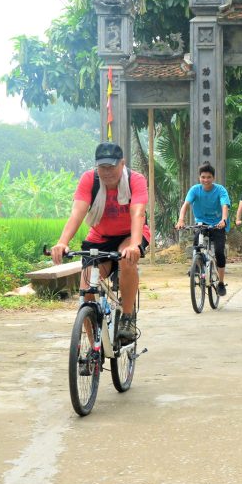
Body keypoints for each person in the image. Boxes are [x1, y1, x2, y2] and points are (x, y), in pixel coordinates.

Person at [51, 142, 149, 345]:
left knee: (126, 259)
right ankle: (92, 349)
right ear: (96, 167)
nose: (107, 172)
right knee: (87, 293)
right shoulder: (89, 179)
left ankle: (127, 317)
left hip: (129, 235)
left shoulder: (135, 180)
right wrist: (62, 242)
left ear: (122, 163)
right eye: (102, 167)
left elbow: (138, 213)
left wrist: (135, 245)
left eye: (111, 166)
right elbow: (77, 212)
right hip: (100, 237)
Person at [176, 162, 230, 296]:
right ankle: (196, 265)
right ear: (199, 178)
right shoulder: (195, 190)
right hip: (202, 222)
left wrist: (223, 220)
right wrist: (181, 219)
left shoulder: (220, 190)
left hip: (218, 224)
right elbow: (186, 204)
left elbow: (224, 206)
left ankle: (221, 282)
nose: (206, 180)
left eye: (209, 177)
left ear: (213, 178)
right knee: (196, 243)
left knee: (219, 251)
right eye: (203, 177)